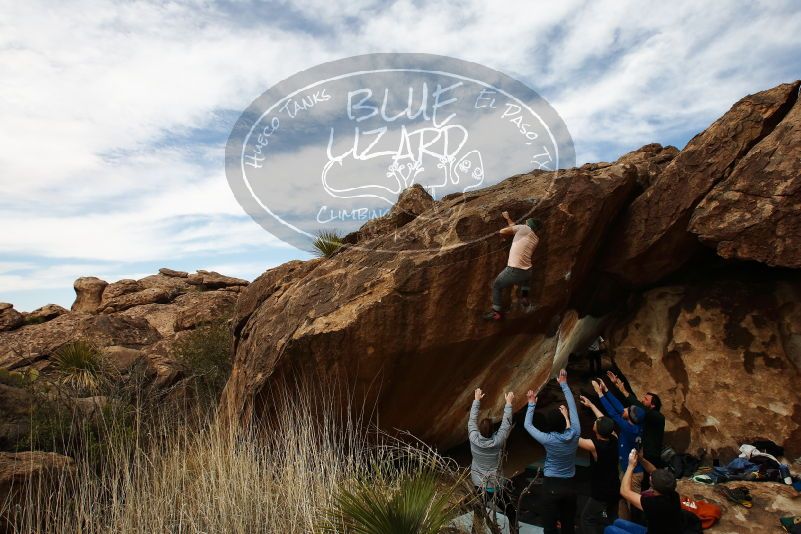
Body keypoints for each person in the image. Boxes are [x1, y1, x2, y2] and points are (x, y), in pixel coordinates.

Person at [524, 369, 580, 533]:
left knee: (549, 527)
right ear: (564, 422)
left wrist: (531, 403)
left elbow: (528, 425)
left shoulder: (548, 439)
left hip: (551, 486)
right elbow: (573, 407)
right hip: (570, 485)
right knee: (568, 525)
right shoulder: (575, 433)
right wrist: (564, 385)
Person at [593, 379, 644, 520]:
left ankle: (636, 527)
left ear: (630, 418)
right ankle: (624, 524)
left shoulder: (629, 429)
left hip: (633, 474)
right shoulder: (634, 424)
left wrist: (600, 394)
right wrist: (606, 390)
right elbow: (620, 409)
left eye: (628, 410)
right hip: (627, 469)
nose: (625, 409)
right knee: (623, 502)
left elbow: (614, 414)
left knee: (634, 506)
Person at [468, 387, 517, 525]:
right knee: (511, 513)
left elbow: (472, 420)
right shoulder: (498, 441)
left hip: (479, 484)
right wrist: (508, 403)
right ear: (493, 432)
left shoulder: (473, 438)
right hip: (495, 486)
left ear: (478, 431)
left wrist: (476, 400)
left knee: (478, 516)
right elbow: (506, 424)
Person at [604, 449, 683, 534]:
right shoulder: (673, 494)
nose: (650, 477)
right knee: (618, 522)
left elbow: (624, 491)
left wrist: (630, 466)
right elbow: (653, 471)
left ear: (653, 488)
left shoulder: (654, 504)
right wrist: (640, 459)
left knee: (609, 529)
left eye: (651, 479)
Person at [483, 211, 541, 320]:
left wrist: (504, 235)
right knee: (526, 280)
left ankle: (497, 312)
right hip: (528, 271)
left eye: (526, 222)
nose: (525, 223)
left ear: (528, 225)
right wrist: (507, 218)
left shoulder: (524, 229)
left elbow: (503, 231)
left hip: (515, 270)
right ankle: (524, 297)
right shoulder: (535, 238)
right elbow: (514, 227)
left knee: (497, 286)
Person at [578, 395, 620, 533]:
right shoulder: (614, 438)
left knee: (587, 519)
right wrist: (591, 404)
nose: (595, 422)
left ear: (597, 430)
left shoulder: (595, 446)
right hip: (614, 487)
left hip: (601, 492)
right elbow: (606, 422)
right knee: (613, 518)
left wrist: (566, 418)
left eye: (596, 422)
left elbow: (572, 438)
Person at [606, 371, 665, 468]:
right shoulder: (643, 416)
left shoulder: (658, 417)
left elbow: (639, 406)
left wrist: (623, 389)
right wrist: (618, 386)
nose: (642, 400)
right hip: (641, 454)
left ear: (653, 405)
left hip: (651, 457)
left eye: (646, 399)